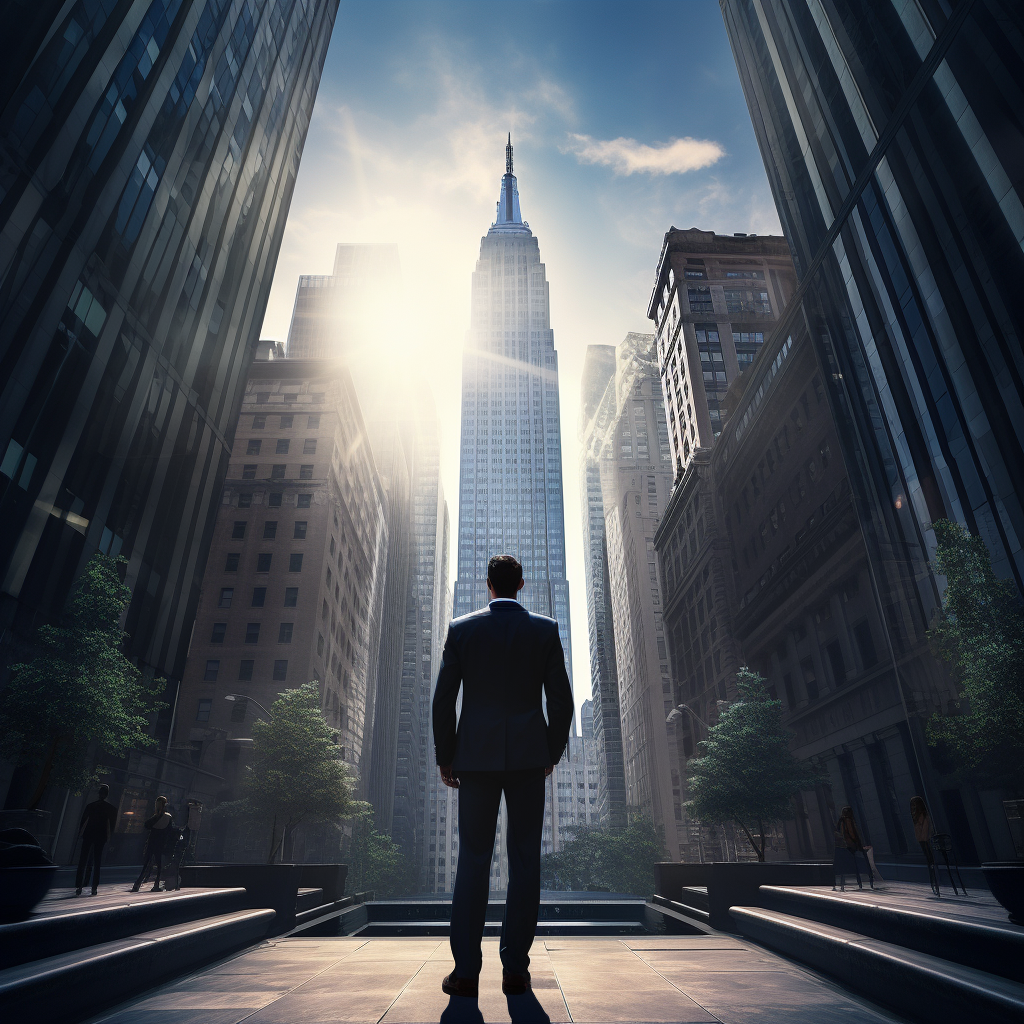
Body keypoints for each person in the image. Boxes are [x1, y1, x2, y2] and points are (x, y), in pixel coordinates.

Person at [432, 554, 573, 1000]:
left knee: (473, 860)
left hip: (475, 758)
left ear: (488, 584)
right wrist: (549, 752)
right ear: (522, 585)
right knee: (525, 861)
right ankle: (515, 969)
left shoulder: (461, 629)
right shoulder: (546, 630)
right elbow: (562, 703)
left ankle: (466, 971)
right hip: (530, 759)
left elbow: (443, 702)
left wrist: (446, 756)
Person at [75, 784, 117, 896]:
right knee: (97, 862)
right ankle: (94, 887)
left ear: (99, 793)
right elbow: (111, 826)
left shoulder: (91, 806)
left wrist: (80, 833)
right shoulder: (110, 808)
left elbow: (83, 822)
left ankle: (80, 886)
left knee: (83, 860)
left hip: (89, 834)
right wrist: (109, 838)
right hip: (101, 836)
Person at [130, 795, 174, 893]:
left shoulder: (155, 817)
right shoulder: (168, 817)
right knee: (159, 865)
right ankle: (156, 884)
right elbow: (169, 831)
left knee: (147, 864)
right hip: (161, 843)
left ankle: (137, 884)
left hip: (152, 841)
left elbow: (147, 825)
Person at [837, 806, 873, 889]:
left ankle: (844, 884)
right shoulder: (848, 821)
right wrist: (857, 843)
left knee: (845, 866)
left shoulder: (841, 821)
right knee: (859, 864)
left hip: (846, 845)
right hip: (852, 845)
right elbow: (852, 833)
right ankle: (864, 881)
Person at [911, 796, 939, 894]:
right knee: (929, 861)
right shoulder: (917, 816)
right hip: (922, 841)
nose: (913, 808)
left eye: (914, 805)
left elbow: (925, 830)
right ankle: (933, 882)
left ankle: (934, 881)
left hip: (925, 841)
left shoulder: (923, 816)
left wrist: (923, 839)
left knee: (930, 860)